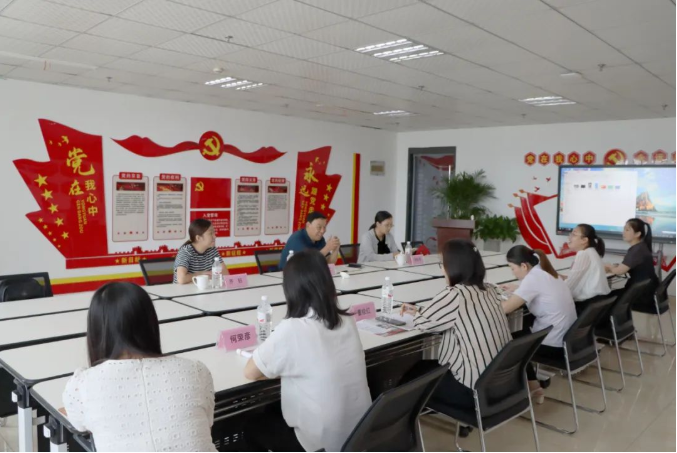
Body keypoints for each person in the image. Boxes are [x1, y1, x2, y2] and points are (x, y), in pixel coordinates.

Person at [62, 282, 216, 452]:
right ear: (150, 322)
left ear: (97, 330)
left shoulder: (82, 385)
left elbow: (79, 423)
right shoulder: (196, 371)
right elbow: (207, 423)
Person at [244, 250, 370, 452]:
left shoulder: (292, 329)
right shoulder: (347, 320)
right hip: (358, 438)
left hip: (320, 444)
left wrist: (284, 371)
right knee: (273, 410)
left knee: (251, 425)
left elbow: (250, 372)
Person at [399, 239, 512, 411]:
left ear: (453, 267)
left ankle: (400, 422)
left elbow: (423, 323)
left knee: (412, 376)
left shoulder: (455, 295)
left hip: (473, 392)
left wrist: (418, 313)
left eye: (442, 264)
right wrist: (420, 310)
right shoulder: (490, 289)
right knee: (423, 369)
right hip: (503, 386)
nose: (442, 270)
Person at [501, 245, 577, 402]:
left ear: (524, 266)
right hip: (569, 340)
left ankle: (533, 387)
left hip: (554, 346)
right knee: (521, 328)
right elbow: (538, 289)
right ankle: (531, 384)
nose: (512, 272)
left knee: (510, 340)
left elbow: (506, 308)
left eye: (512, 268)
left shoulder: (533, 279)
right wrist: (519, 289)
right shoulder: (546, 272)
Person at [562, 224, 610, 308]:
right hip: (598, 301)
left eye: (574, 234)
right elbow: (577, 277)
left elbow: (570, 284)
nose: (569, 237)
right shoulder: (590, 251)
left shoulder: (583, 254)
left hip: (588, 303)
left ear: (584, 240)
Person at [605, 218, 659, 292]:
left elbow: (619, 271)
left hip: (639, 293)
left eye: (627, 230)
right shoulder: (640, 247)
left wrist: (609, 267)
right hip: (643, 289)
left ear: (637, 234)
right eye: (624, 229)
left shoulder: (637, 250)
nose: (624, 232)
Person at [174, 218, 228, 284]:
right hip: (185, 290)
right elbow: (181, 279)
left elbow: (226, 273)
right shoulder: (186, 251)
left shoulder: (212, 249)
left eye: (214, 233)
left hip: (204, 288)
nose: (215, 236)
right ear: (198, 238)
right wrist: (202, 274)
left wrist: (209, 275)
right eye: (210, 233)